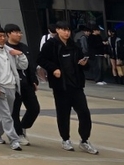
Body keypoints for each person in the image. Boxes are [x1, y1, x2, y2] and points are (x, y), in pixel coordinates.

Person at [37, 21, 98, 154]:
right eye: (64, 30)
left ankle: (84, 140)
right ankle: (65, 139)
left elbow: (83, 62)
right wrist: (53, 69)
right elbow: (40, 59)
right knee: (63, 114)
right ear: (57, 30)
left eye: (68, 30)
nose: (67, 33)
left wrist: (84, 64)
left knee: (84, 113)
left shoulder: (74, 45)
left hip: (76, 85)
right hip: (61, 86)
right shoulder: (51, 45)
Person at [0, 26, 25, 149]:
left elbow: (23, 65)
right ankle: (14, 139)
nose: (3, 39)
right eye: (0, 36)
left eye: (4, 36)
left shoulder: (9, 50)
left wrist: (20, 54)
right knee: (6, 114)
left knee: (5, 113)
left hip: (11, 85)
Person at [6, 24, 39, 143]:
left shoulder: (24, 47)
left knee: (34, 108)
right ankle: (18, 134)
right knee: (15, 110)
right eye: (16, 32)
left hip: (26, 83)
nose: (19, 35)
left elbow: (30, 66)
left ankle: (23, 126)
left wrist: (34, 80)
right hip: (12, 84)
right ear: (8, 34)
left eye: (20, 33)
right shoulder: (5, 48)